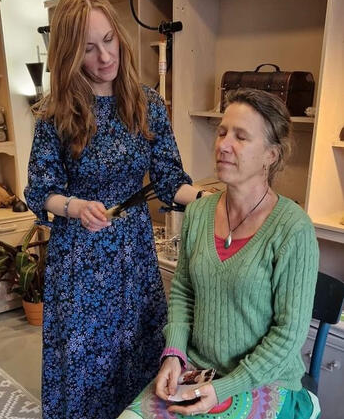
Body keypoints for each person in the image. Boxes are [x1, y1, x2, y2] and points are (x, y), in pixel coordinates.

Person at [24, 0, 204, 419]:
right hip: (80, 258)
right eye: (88, 49)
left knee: (138, 355)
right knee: (85, 367)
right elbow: (40, 189)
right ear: (70, 55)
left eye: (108, 41)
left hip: (133, 255)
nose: (105, 57)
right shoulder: (56, 111)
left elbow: (168, 180)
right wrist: (74, 206)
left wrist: (210, 199)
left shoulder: (146, 102)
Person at [119, 88, 320, 419]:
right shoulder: (199, 212)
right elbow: (183, 292)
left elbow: (287, 336)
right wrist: (174, 354)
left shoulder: (293, 229)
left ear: (271, 155)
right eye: (222, 132)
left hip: (264, 380)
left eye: (241, 137)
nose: (223, 145)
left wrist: (224, 388)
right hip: (200, 369)